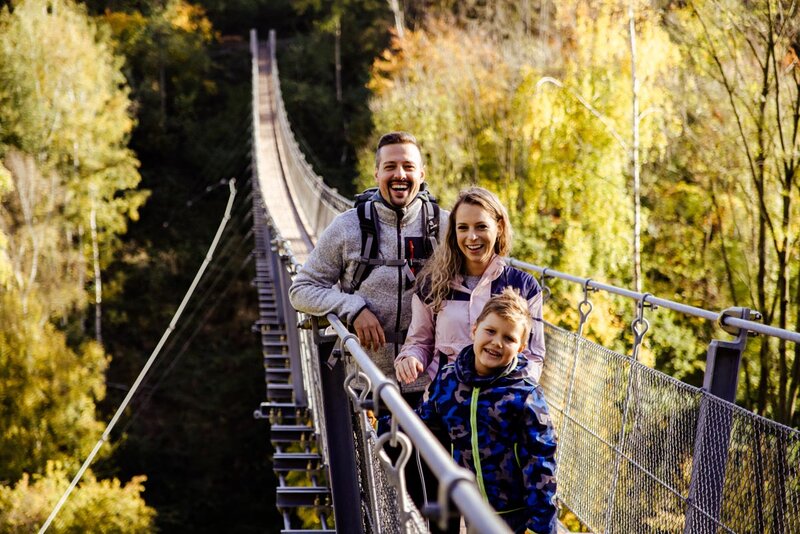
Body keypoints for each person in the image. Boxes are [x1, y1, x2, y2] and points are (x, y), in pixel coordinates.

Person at [288, 131, 448, 390]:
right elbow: (301, 290)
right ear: (376, 174)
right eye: (390, 167)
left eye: (408, 167)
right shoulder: (347, 226)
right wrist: (352, 307)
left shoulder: (446, 226)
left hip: (433, 385)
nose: (399, 174)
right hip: (367, 385)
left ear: (422, 174)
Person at [414, 288, 558, 533]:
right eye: (490, 331)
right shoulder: (450, 379)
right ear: (474, 330)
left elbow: (541, 461)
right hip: (469, 503)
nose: (496, 343)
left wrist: (542, 525)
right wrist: (387, 423)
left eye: (509, 338)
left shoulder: (525, 395)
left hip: (512, 513)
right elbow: (426, 419)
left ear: (521, 347)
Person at [395, 186, 545, 388]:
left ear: (499, 227)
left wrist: (509, 392)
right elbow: (420, 342)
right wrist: (410, 358)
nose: (472, 237)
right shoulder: (432, 284)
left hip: (497, 403)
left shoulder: (524, 287)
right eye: (463, 228)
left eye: (481, 227)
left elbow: (533, 355)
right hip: (447, 400)